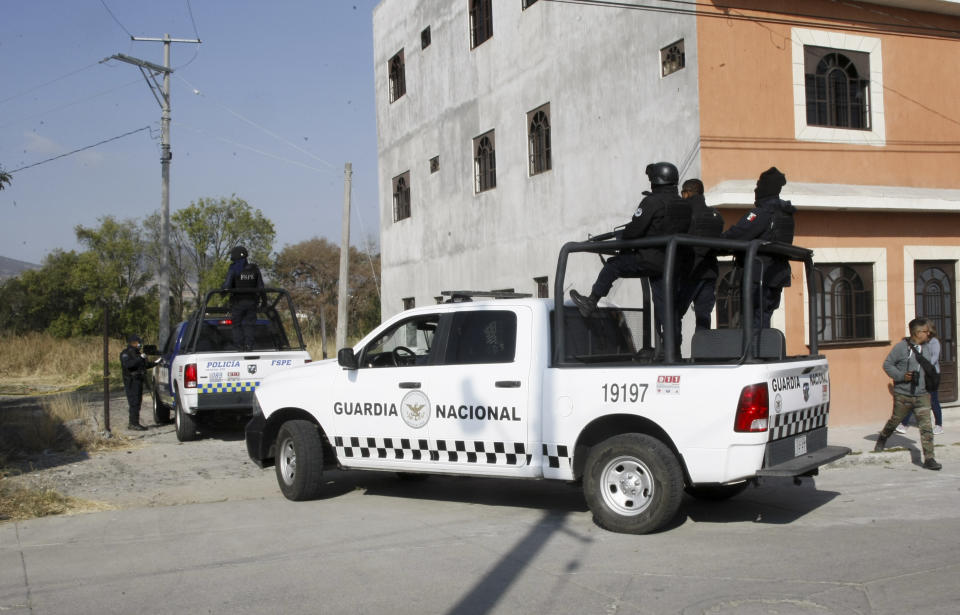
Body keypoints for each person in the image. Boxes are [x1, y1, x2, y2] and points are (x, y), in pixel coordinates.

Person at [569, 162, 691, 340]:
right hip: (672, 263)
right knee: (667, 309)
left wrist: (623, 237)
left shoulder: (652, 201)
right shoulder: (684, 205)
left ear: (655, 181)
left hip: (649, 259)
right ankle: (674, 351)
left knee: (612, 266)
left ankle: (591, 301)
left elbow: (634, 231)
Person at [721, 167, 796, 329]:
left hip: (757, 276)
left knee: (753, 322)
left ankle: (756, 352)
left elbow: (738, 234)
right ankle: (762, 352)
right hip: (776, 275)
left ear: (765, 188)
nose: (756, 189)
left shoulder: (762, 213)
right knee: (763, 318)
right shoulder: (785, 213)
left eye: (758, 185)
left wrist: (716, 241)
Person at [874, 318, 941, 470]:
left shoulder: (927, 348)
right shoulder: (901, 348)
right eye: (925, 331)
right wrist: (902, 376)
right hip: (903, 394)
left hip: (922, 395)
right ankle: (883, 436)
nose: (928, 333)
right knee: (895, 420)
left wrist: (929, 387)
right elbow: (887, 365)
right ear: (917, 333)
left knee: (926, 427)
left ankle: (929, 458)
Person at [676, 178, 724, 334]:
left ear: (687, 193)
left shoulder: (684, 214)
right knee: (703, 317)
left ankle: (672, 352)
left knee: (674, 315)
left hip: (688, 272)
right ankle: (702, 355)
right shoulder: (716, 215)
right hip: (708, 272)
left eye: (683, 193)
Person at [896, 319, 944, 435]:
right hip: (919, 374)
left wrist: (922, 366)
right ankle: (904, 424)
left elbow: (934, 358)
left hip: (931, 375)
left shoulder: (934, 342)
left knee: (933, 400)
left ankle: (939, 425)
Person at [223, 245, 264, 351]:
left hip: (238, 303)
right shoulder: (254, 269)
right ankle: (249, 345)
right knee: (250, 324)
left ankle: (239, 346)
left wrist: (222, 292)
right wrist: (264, 302)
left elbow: (227, 286)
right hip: (252, 303)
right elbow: (261, 287)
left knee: (237, 324)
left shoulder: (233, 268)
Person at [119, 334, 158, 431]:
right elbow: (129, 365)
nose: (140, 344)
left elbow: (144, 365)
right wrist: (140, 357)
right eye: (139, 342)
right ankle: (133, 423)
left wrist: (156, 363)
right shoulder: (126, 353)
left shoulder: (138, 353)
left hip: (139, 380)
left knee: (138, 402)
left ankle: (134, 422)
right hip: (131, 381)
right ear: (133, 343)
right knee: (134, 402)